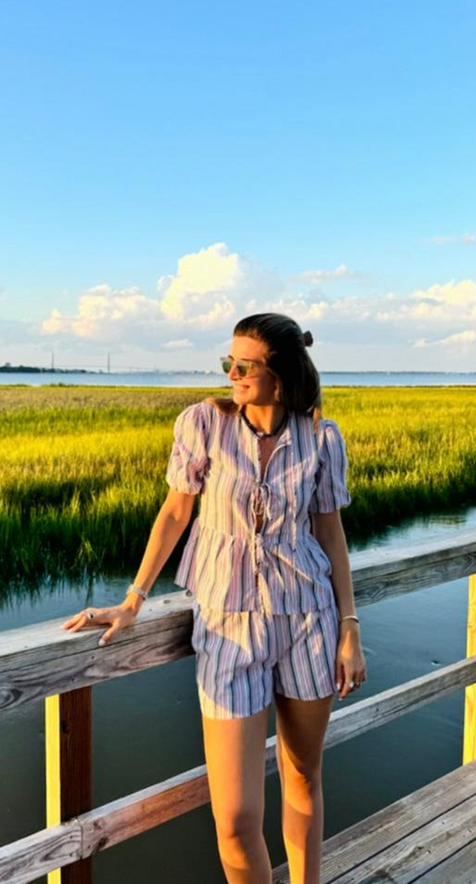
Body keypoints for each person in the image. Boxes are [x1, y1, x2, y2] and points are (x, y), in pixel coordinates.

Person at [60, 312, 367, 884]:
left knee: (303, 775)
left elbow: (330, 533)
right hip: (227, 628)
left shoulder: (321, 436)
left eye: (243, 365)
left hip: (309, 620)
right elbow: (176, 511)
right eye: (227, 362)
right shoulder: (203, 423)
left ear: (281, 373)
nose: (231, 373)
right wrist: (134, 598)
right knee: (234, 817)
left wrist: (349, 625)